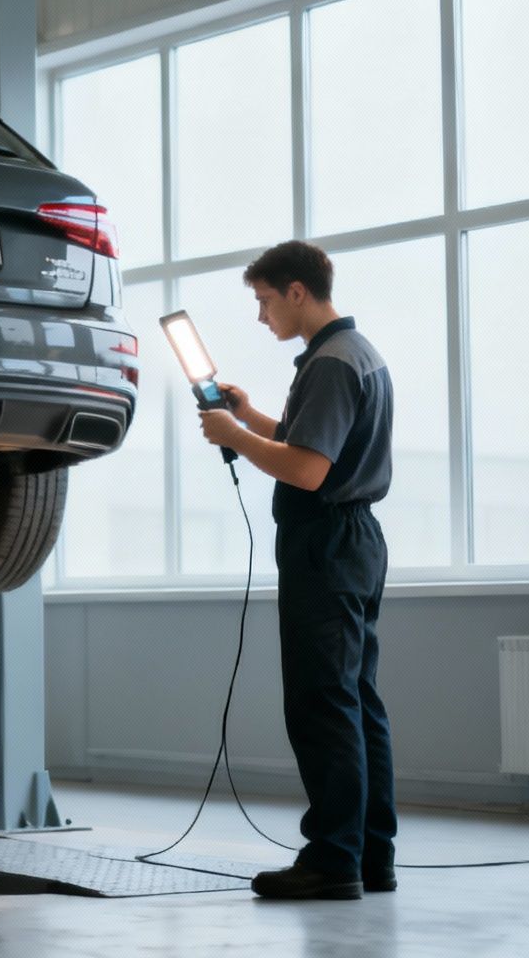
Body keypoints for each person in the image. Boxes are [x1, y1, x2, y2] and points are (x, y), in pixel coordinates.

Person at [197, 240, 396, 901]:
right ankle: (370, 856)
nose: (261, 316)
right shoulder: (352, 354)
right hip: (353, 541)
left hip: (326, 543)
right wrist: (251, 417)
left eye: (263, 300)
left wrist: (234, 438)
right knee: (355, 701)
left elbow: (308, 470)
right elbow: (314, 442)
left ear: (297, 292)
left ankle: (332, 860)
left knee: (322, 704)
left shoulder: (333, 363)